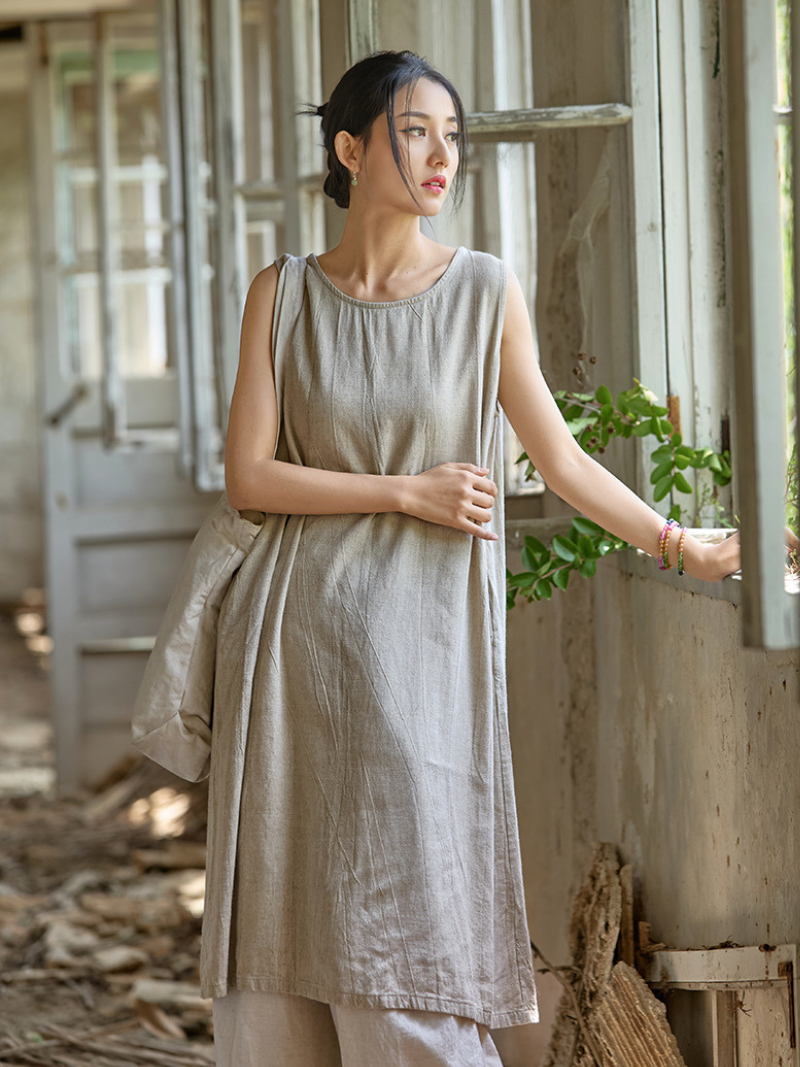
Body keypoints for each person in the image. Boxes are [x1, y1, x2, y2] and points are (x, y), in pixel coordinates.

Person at [205, 49, 741, 1066]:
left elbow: (561, 457)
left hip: (420, 655)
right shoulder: (281, 292)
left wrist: (676, 543)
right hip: (289, 652)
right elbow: (248, 477)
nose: (441, 155)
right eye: (415, 131)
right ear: (351, 148)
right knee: (284, 906)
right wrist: (404, 489)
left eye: (453, 136)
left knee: (410, 916)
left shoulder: (482, 289)